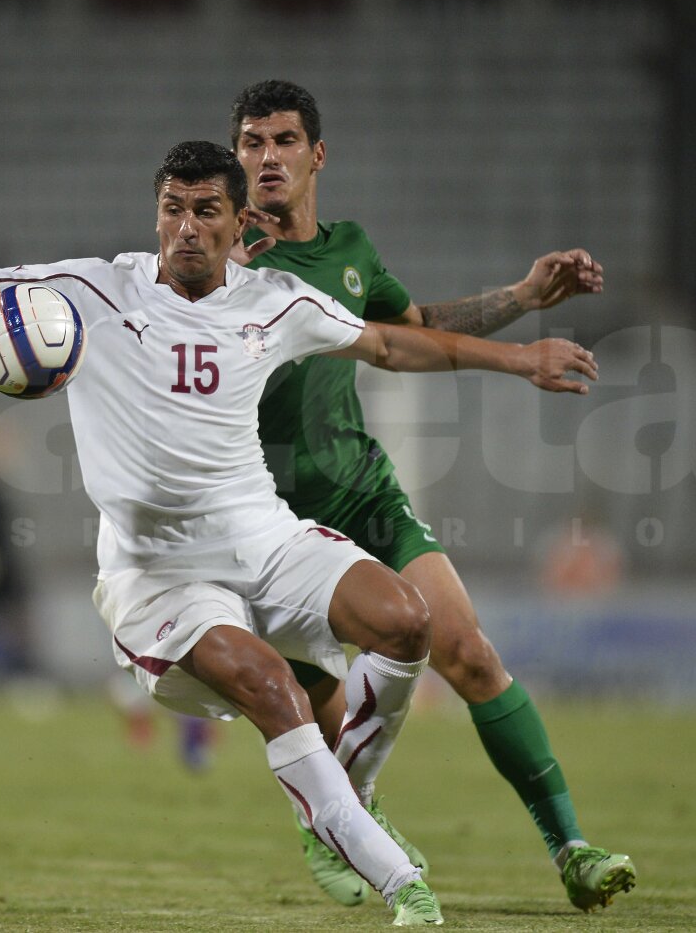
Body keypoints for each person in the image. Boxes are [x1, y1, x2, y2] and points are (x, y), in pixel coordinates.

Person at [0, 138, 598, 926]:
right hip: (160, 576)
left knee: (406, 622)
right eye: (172, 208)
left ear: (240, 225)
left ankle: (342, 805)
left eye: (206, 210)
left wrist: (519, 359)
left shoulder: (277, 302)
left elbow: (388, 341)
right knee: (280, 692)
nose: (185, 227)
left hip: (265, 541)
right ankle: (392, 873)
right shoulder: (95, 289)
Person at [227, 79, 636, 913]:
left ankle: (572, 848)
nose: (267, 158)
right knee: (333, 722)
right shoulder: (222, 256)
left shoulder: (351, 249)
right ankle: (351, 828)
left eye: (284, 141)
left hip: (362, 493)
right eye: (252, 143)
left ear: (317, 155)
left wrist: (521, 300)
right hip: (265, 523)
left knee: (471, 655)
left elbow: (410, 329)